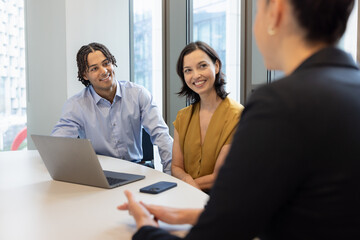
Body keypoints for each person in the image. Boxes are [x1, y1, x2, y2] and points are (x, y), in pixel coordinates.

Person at [118, 0, 360, 239]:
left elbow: (220, 233)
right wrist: (182, 215)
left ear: (276, 11)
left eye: (256, 11)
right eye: (187, 70)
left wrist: (145, 227)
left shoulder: (278, 103)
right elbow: (278, 208)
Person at [51, 42, 173, 174]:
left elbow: (161, 135)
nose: (104, 71)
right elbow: (58, 147)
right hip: (99, 175)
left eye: (106, 63)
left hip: (136, 170)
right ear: (85, 75)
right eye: (94, 68)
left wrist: (171, 174)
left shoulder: (138, 94)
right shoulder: (76, 105)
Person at [171, 41, 244, 191]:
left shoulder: (237, 115)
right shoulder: (182, 117)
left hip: (224, 201)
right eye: (188, 70)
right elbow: (176, 167)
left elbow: (220, 176)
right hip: (187, 197)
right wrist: (185, 180)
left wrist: (184, 186)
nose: (196, 75)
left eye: (202, 66)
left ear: (216, 66)